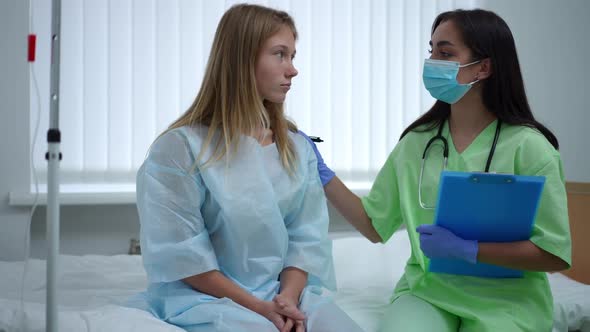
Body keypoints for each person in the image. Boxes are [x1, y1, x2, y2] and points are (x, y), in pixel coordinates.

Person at [302, 8, 571, 331]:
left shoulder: (529, 148)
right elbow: (375, 226)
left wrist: (469, 250)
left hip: (507, 301)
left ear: (483, 68)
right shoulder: (417, 143)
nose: (432, 63)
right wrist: (321, 171)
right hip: (428, 293)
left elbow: (552, 253)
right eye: (431, 51)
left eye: (445, 53)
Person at [128, 4, 363, 332]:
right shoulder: (180, 149)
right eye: (280, 54)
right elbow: (184, 258)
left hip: (282, 295)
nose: (292, 70)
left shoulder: (295, 148)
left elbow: (306, 239)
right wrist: (262, 309)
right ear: (242, 60)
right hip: (204, 297)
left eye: (293, 56)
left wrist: (288, 300)